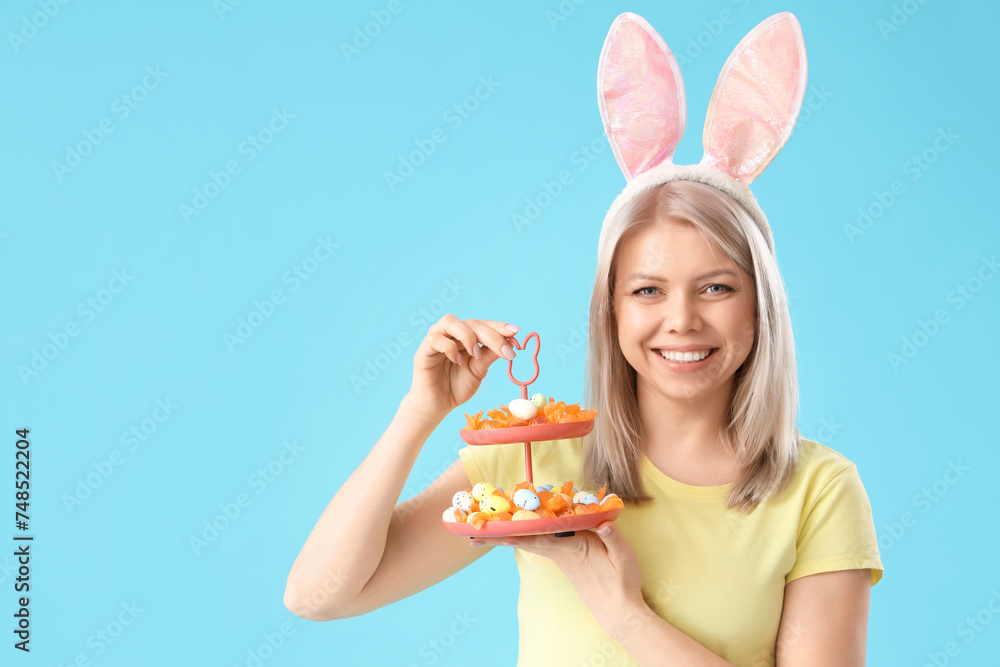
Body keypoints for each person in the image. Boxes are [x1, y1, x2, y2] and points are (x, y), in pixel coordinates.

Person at [284, 10, 884, 666]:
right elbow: (320, 595)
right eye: (647, 290)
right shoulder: (540, 470)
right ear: (611, 312)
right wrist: (419, 413)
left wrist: (625, 616)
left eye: (716, 287)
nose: (681, 319)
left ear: (761, 308)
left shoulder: (819, 490)